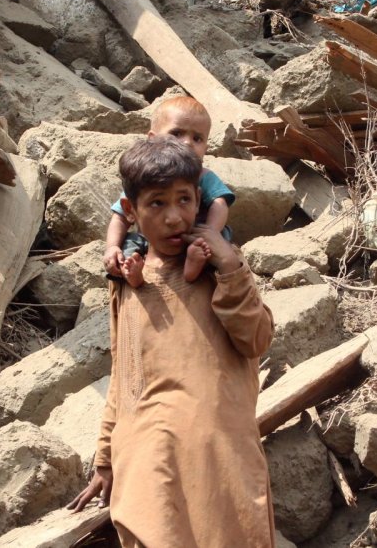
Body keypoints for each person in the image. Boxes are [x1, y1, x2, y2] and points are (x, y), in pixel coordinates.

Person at [67, 137, 276, 548]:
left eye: (184, 200)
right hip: (147, 460)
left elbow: (256, 340)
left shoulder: (219, 268)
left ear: (200, 200)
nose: (174, 218)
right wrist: (106, 459)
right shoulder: (128, 282)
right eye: (157, 204)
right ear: (131, 212)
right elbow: (123, 376)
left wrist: (231, 267)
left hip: (218, 458)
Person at [103, 94, 234, 287]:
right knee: (128, 245)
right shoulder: (143, 178)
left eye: (197, 138)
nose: (188, 143)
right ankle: (132, 274)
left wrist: (210, 233)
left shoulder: (202, 176)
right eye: (177, 134)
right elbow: (120, 216)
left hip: (193, 237)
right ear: (152, 139)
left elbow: (220, 203)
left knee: (222, 240)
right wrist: (112, 247)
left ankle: (196, 264)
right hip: (151, 239)